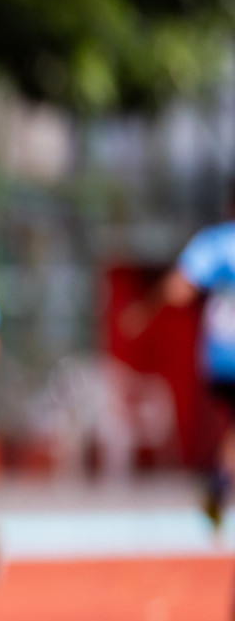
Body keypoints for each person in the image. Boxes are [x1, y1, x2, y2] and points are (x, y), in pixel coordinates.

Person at [123, 194, 235, 535]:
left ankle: (221, 478)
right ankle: (220, 480)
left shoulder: (215, 244)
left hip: (219, 356)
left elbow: (179, 287)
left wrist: (143, 310)